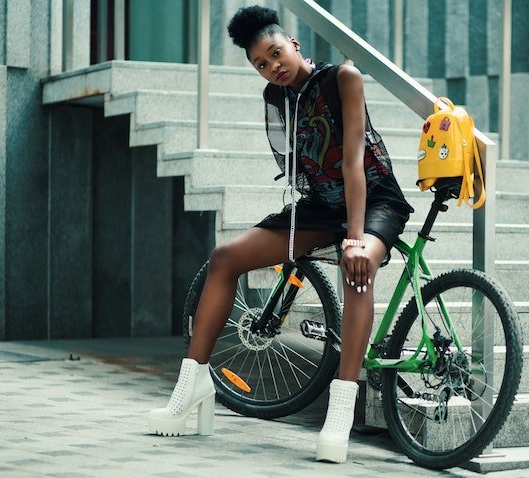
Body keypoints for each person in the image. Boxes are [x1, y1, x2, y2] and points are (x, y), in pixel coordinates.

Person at [147, 5, 413, 464]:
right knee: (225, 256)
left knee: (359, 269)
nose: (273, 67)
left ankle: (340, 410)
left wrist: (354, 238)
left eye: (275, 54)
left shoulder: (343, 79)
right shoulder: (277, 96)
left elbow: (352, 161)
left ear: (293, 42)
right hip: (318, 207)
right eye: (261, 65)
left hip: (373, 201)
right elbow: (299, 166)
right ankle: (192, 388)